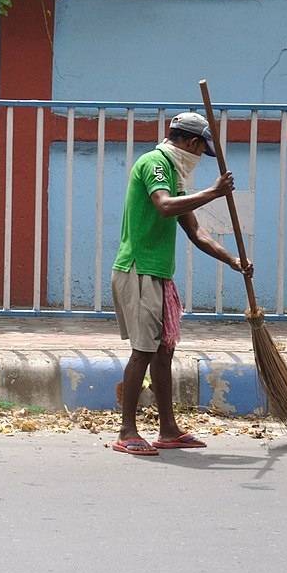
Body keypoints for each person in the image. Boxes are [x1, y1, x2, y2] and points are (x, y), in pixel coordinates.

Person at [110, 111, 253, 456]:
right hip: (138, 270)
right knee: (144, 351)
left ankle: (168, 429)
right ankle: (127, 431)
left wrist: (233, 260)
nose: (200, 158)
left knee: (164, 352)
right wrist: (214, 192)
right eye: (202, 150)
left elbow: (196, 231)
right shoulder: (155, 163)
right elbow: (164, 206)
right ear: (191, 143)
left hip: (159, 273)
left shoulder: (173, 173)